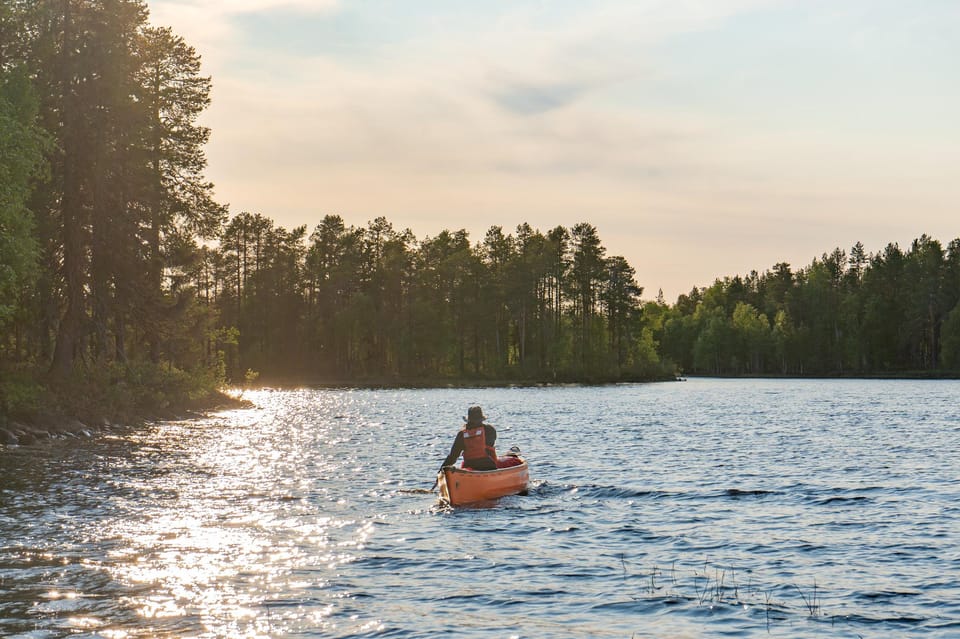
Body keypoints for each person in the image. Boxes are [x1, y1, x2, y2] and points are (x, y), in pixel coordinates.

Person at [441, 405, 498, 471]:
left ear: (468, 420)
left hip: (469, 465)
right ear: (481, 419)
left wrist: (441, 470)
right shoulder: (490, 429)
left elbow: (453, 456)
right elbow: (491, 447)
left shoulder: (461, 434)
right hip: (488, 466)